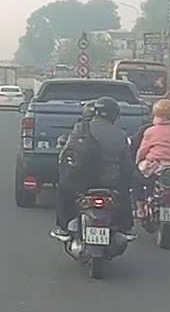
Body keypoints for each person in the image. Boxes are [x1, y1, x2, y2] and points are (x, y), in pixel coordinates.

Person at [51, 97, 136, 241]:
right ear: (114, 115)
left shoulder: (81, 128)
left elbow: (67, 152)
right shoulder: (120, 134)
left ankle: (63, 228)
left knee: (63, 190)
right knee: (125, 194)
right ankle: (126, 227)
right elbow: (127, 164)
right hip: (110, 182)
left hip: (81, 181)